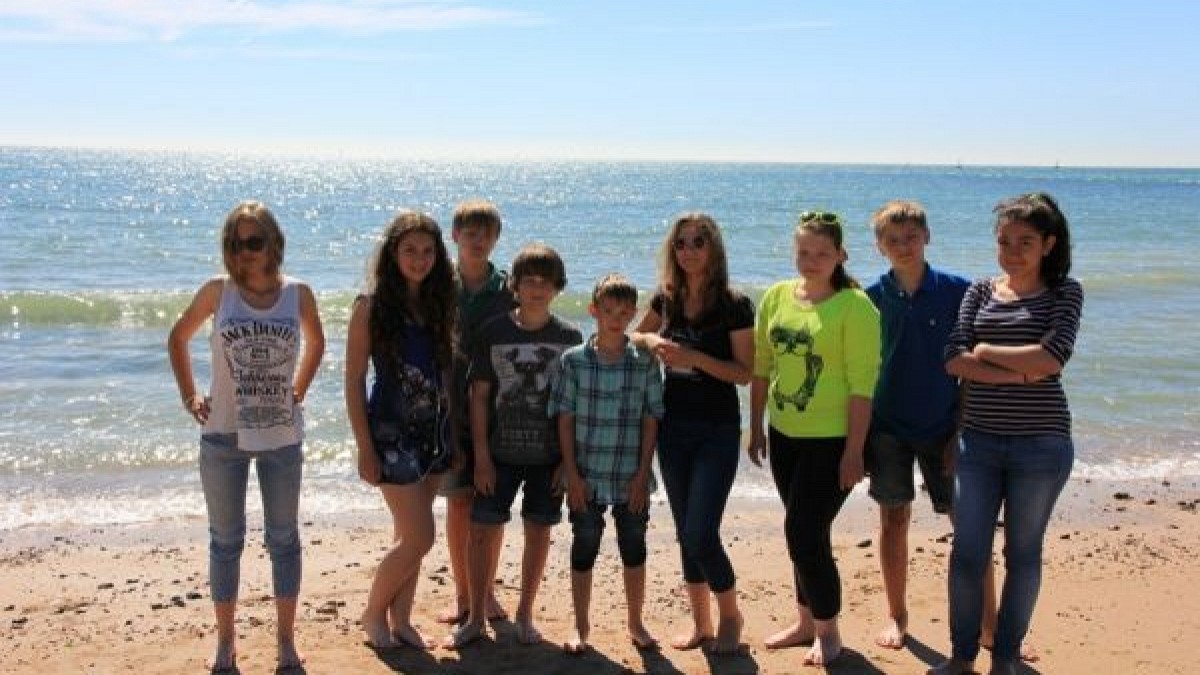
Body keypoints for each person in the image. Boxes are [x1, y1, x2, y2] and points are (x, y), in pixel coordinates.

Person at [167, 200, 325, 672]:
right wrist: (189, 396)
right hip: (223, 436)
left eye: (254, 242)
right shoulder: (219, 292)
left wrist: (299, 389)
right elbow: (178, 337)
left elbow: (317, 342)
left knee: (284, 539)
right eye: (235, 244)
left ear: (273, 242)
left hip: (281, 438)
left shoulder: (298, 294)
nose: (245, 252)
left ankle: (286, 644)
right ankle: (225, 645)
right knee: (225, 542)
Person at [931, 193, 1082, 675]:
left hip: (1042, 445)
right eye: (1004, 241)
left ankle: (1006, 658)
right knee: (967, 553)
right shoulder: (979, 291)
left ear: (1048, 244)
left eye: (1025, 242)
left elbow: (1052, 357)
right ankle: (962, 656)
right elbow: (953, 358)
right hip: (977, 442)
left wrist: (987, 352)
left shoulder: (1064, 292)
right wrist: (1020, 374)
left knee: (1023, 554)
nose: (1012, 252)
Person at [747, 210, 880, 667]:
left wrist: (855, 452)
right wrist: (756, 427)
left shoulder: (855, 306)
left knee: (802, 532)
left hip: (833, 440)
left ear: (840, 255)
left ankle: (828, 630)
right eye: (804, 251)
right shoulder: (777, 296)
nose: (812, 260)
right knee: (805, 529)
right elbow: (761, 366)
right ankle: (805, 622)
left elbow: (862, 386)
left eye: (822, 253)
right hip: (785, 435)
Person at [449, 243, 583, 647]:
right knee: (481, 530)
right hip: (499, 454)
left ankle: (525, 614)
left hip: (548, 458)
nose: (537, 289)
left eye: (545, 282)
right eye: (529, 281)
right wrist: (482, 457)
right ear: (516, 285)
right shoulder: (494, 332)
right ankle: (475, 617)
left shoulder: (569, 338)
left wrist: (568, 463)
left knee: (538, 532)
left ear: (557, 287)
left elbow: (574, 407)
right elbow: (478, 397)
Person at [632, 212, 754, 655]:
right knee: (686, 530)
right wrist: (652, 342)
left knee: (701, 531)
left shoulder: (734, 304)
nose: (689, 251)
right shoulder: (666, 299)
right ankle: (701, 623)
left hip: (717, 429)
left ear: (714, 248)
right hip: (674, 427)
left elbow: (743, 372)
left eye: (698, 242)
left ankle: (730, 616)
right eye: (681, 243)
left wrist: (693, 357)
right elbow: (632, 335)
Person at [344, 211, 457, 650]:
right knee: (420, 536)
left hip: (434, 430)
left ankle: (401, 621)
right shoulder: (370, 307)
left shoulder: (436, 302)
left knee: (409, 535)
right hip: (391, 435)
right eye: (410, 250)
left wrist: (453, 430)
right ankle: (373, 613)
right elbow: (354, 379)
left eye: (428, 251)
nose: (419, 259)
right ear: (393, 253)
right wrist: (364, 446)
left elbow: (444, 371)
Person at [863, 200, 971, 648]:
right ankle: (897, 614)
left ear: (927, 236)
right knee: (893, 520)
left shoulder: (959, 291)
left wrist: (961, 428)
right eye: (893, 240)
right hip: (887, 426)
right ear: (879, 246)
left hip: (943, 425)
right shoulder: (870, 297)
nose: (903, 246)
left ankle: (984, 623)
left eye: (911, 236)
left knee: (966, 525)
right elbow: (858, 371)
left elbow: (973, 368)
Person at [553, 273, 665, 654]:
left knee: (634, 545)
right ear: (593, 310)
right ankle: (580, 625)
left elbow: (652, 417)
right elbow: (564, 418)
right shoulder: (574, 361)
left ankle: (636, 622)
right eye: (608, 311)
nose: (616, 319)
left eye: (623, 312)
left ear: (634, 314)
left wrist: (643, 474)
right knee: (584, 544)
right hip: (585, 475)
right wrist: (571, 473)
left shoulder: (644, 362)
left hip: (630, 474)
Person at [438, 199, 513, 626]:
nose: (478, 240)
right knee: (458, 504)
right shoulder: (439, 286)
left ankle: (486, 593)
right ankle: (463, 595)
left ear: (496, 238)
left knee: (490, 506)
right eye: (470, 233)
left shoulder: (508, 289)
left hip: (497, 409)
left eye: (486, 233)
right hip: (448, 409)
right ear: (455, 236)